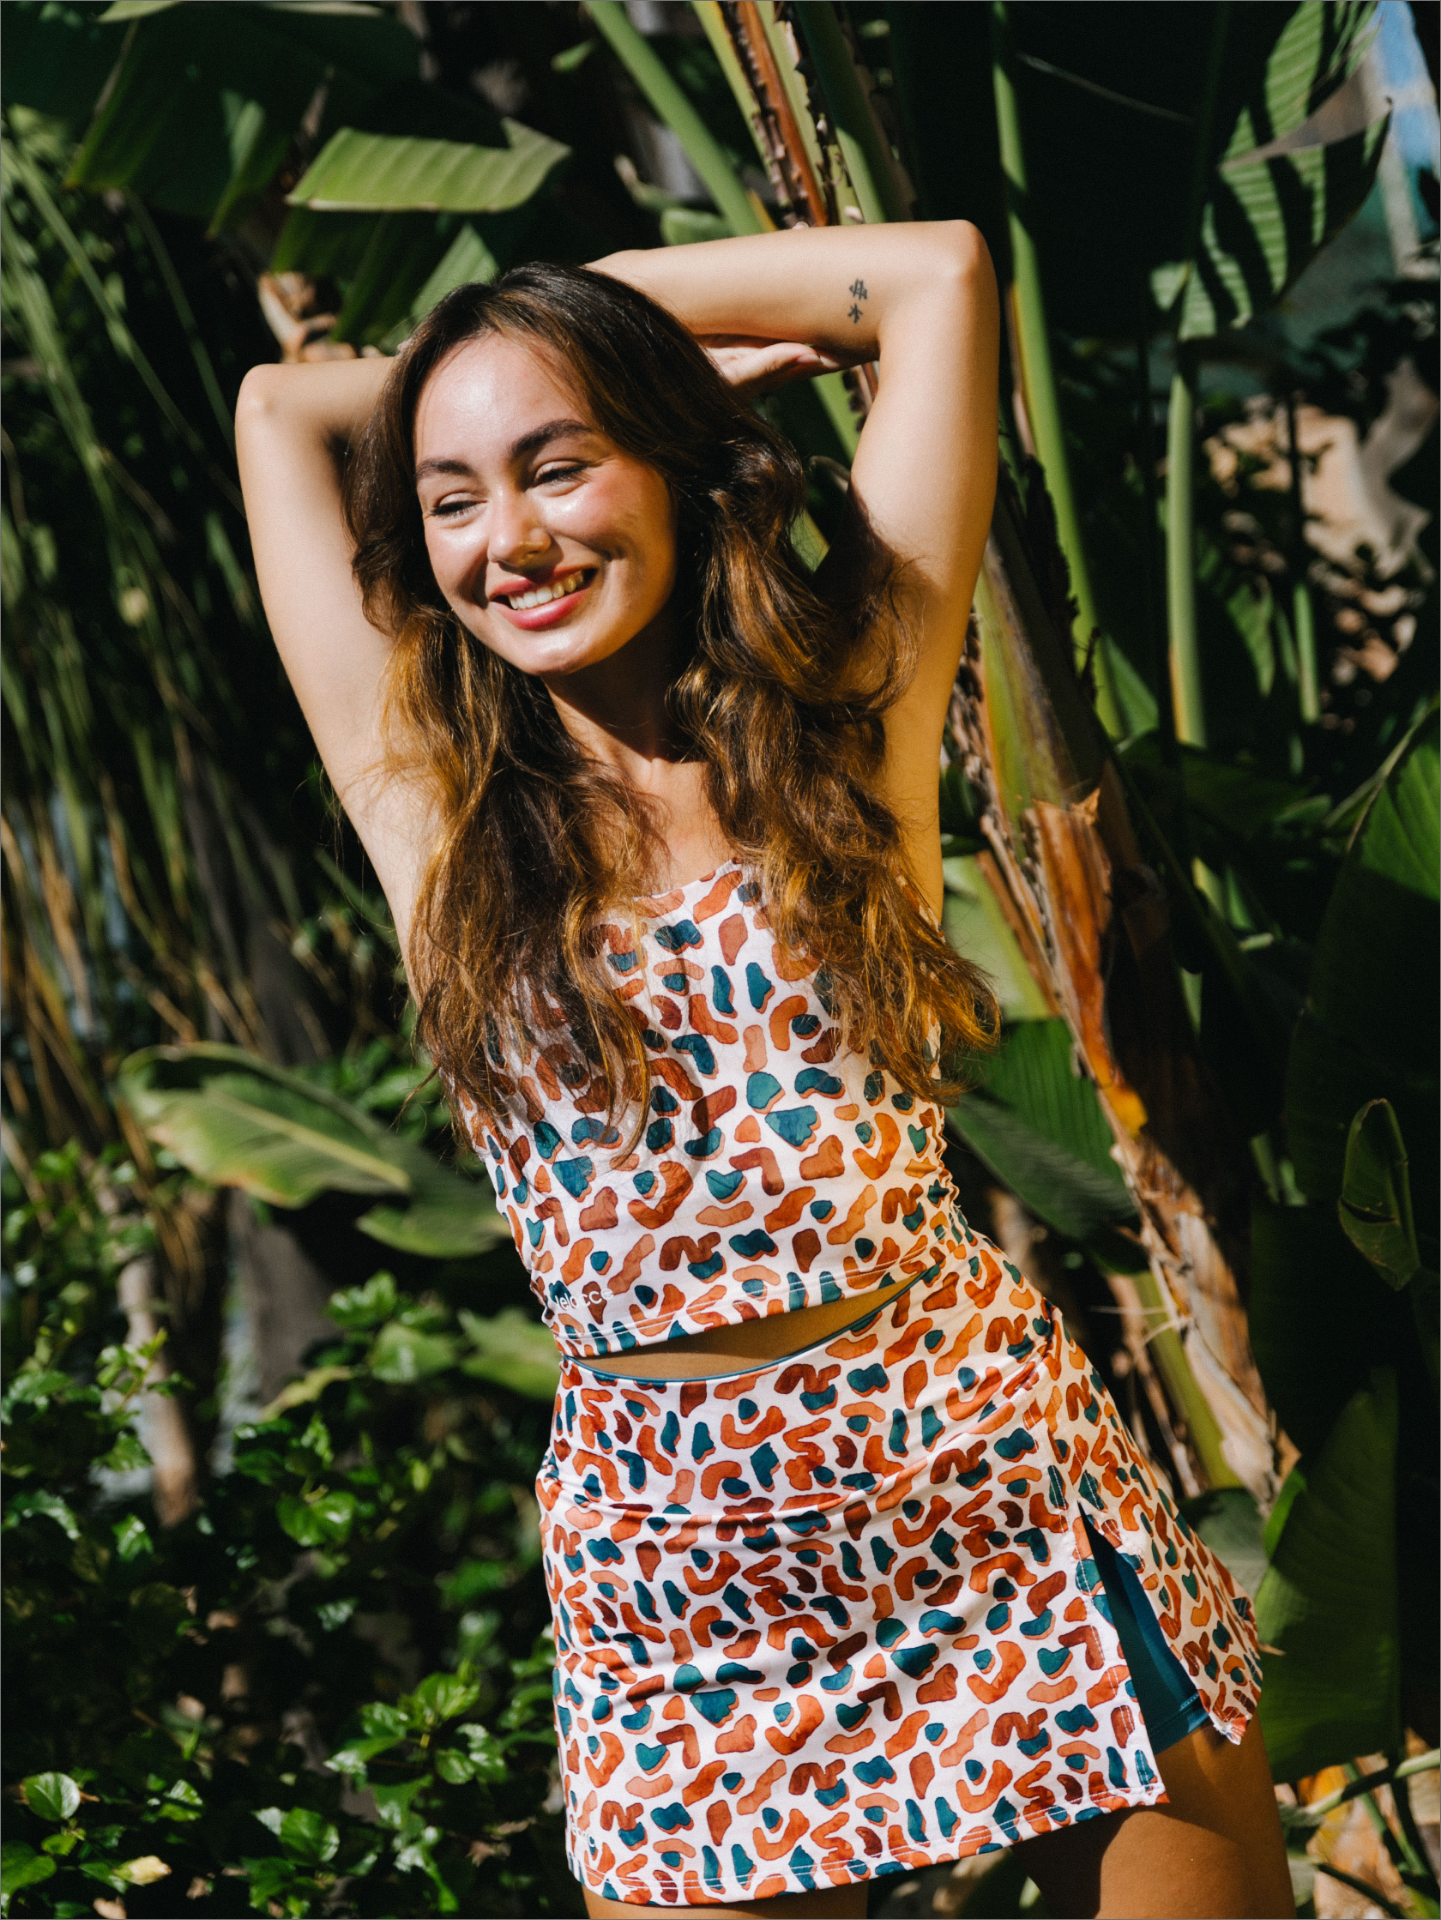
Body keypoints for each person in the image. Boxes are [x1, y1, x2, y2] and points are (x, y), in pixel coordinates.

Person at [236, 223, 1293, 1920]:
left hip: (988, 1479)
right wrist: (582, 369)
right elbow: (284, 412)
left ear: (670, 471)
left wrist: (606, 352)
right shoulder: (427, 808)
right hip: (680, 1568)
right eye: (451, 498)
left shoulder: (848, 722)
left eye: (558, 467)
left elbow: (938, 277)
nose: (509, 539)